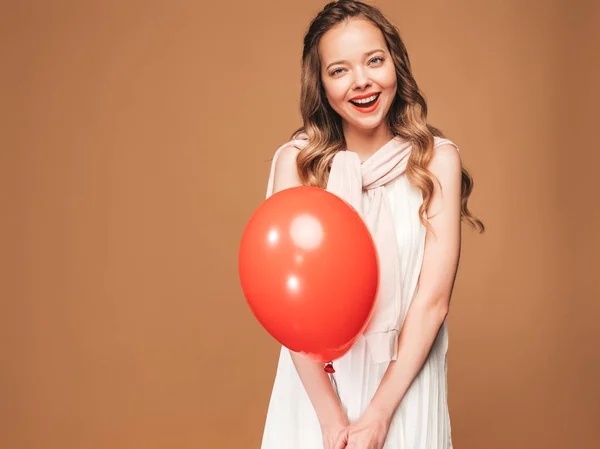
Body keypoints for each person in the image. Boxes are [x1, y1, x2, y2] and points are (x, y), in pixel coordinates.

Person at [260, 1, 485, 448]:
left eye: (374, 61)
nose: (361, 81)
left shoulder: (437, 159)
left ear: (395, 65)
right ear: (321, 85)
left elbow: (432, 303)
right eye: (339, 70)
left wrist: (379, 416)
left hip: (404, 391)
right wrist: (330, 421)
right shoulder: (298, 165)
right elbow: (288, 307)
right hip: (316, 395)